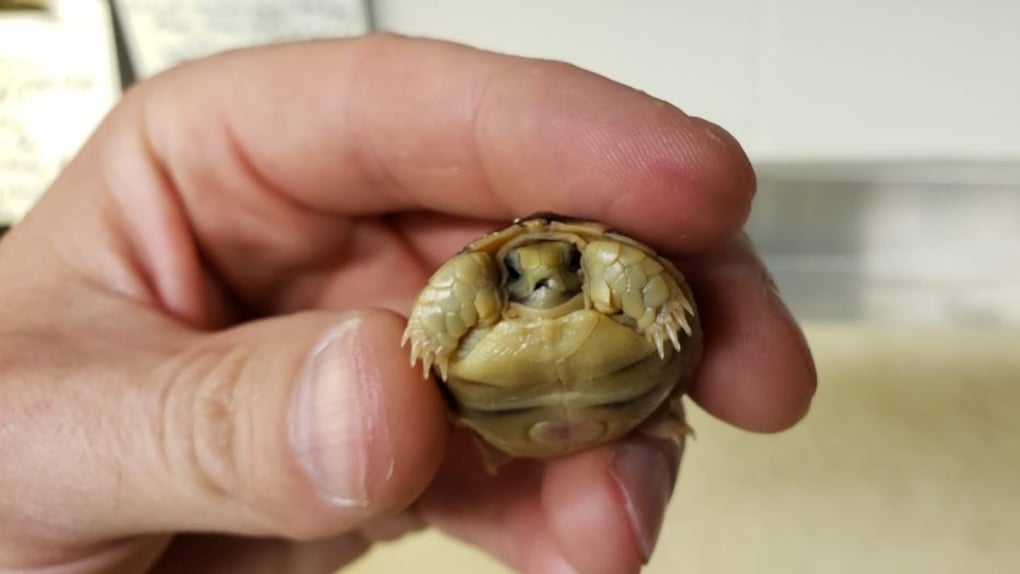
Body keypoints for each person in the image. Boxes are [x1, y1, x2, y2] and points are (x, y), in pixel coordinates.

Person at [0, 35, 816, 573]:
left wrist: (654, 297)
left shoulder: (601, 263)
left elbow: (629, 273)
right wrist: (431, 327)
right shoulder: (479, 284)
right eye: (525, 275)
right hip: (519, 412)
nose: (540, 282)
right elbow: (446, 307)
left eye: (557, 269)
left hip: (610, 397)